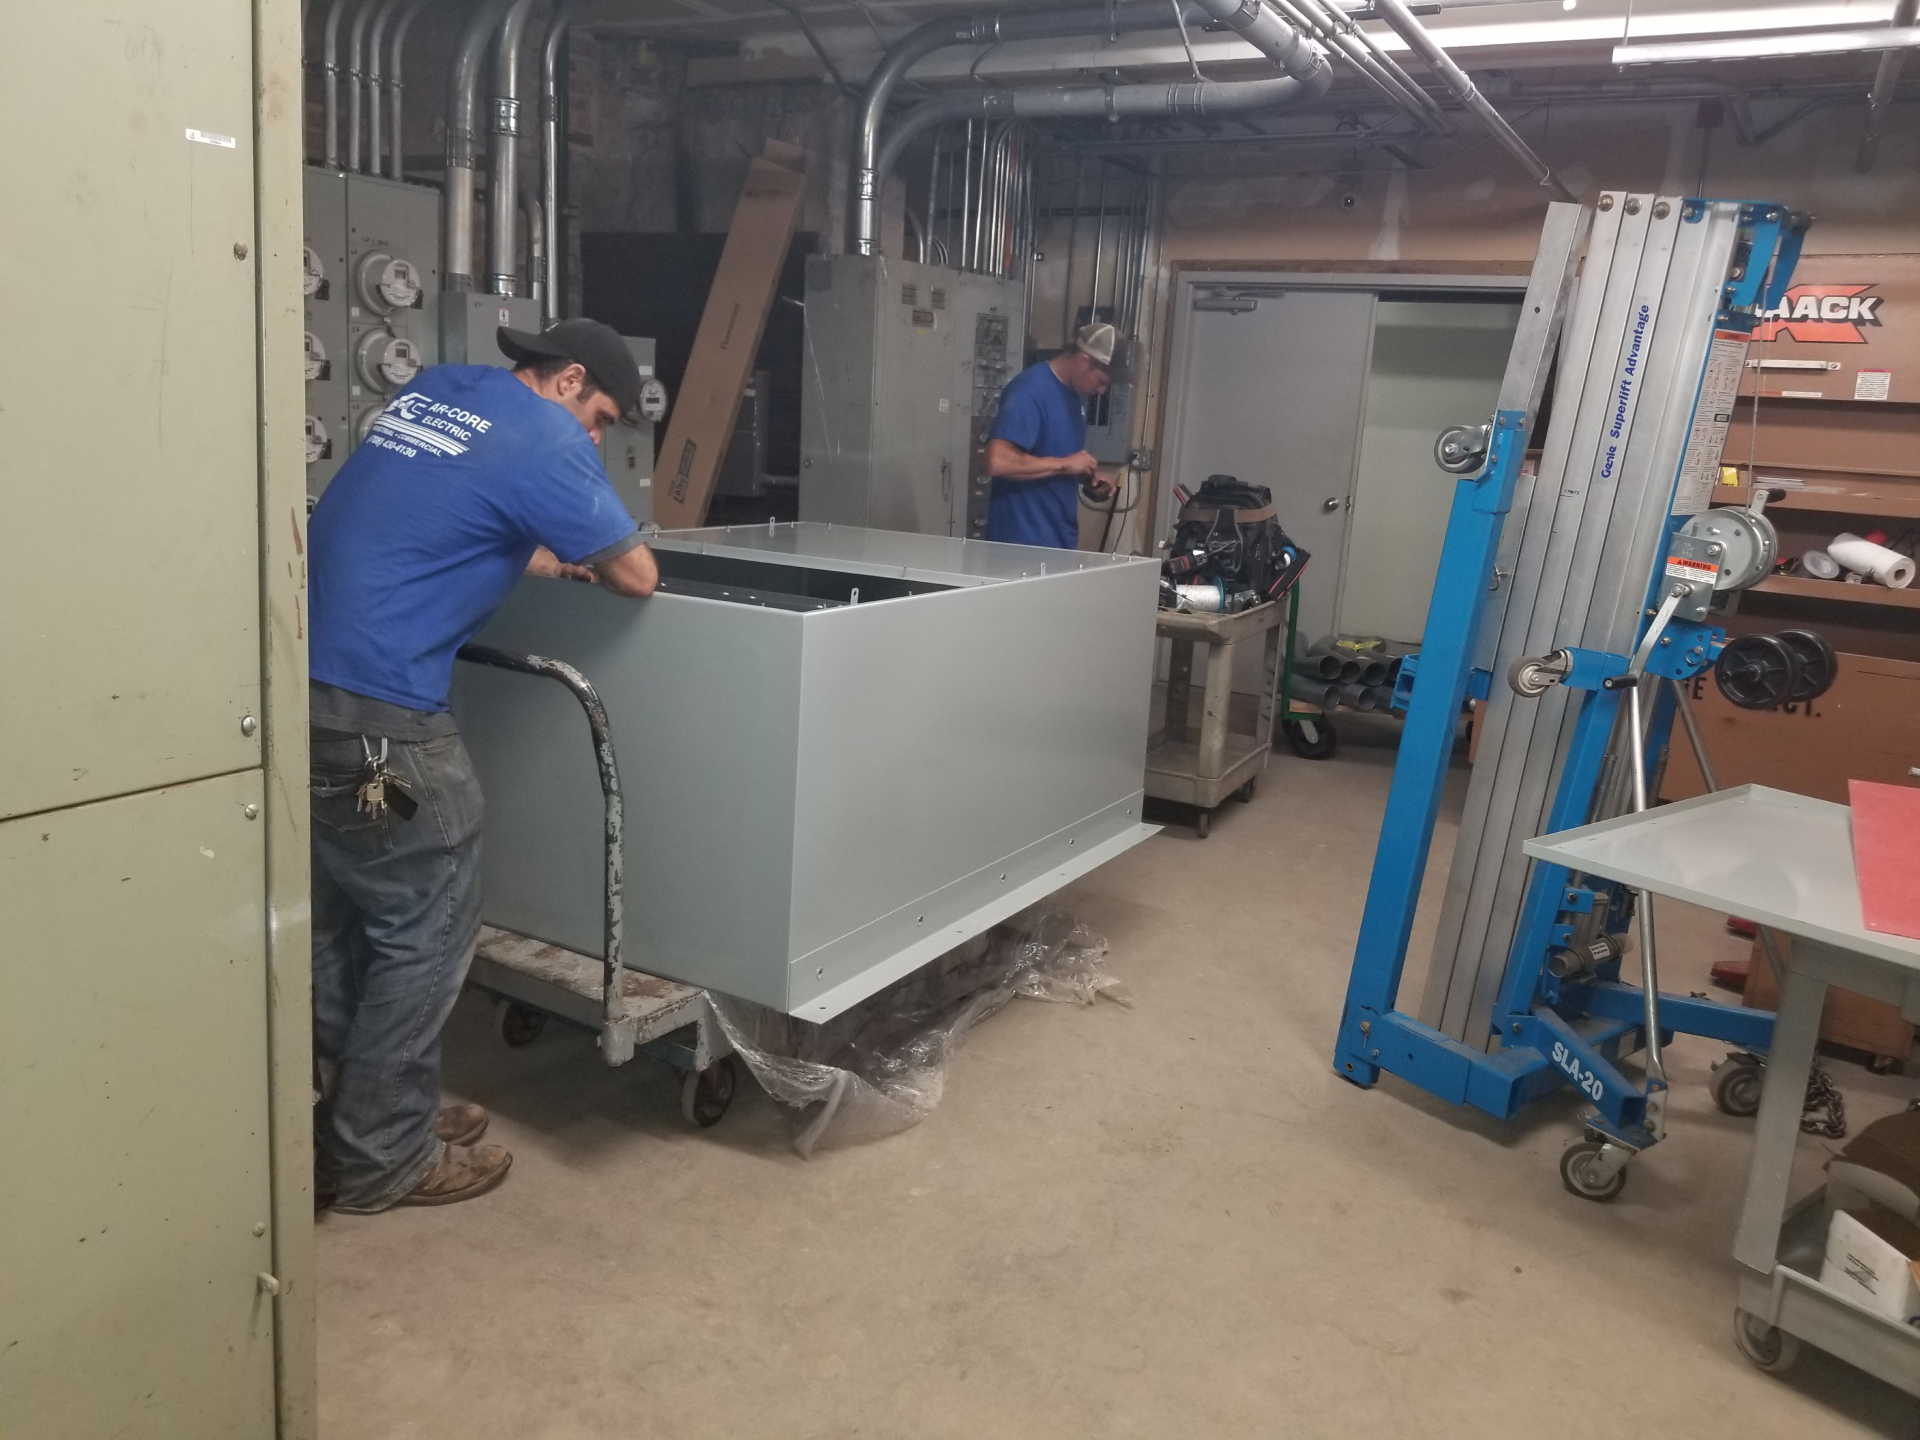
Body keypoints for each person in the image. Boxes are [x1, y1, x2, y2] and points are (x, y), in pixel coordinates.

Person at [307, 319, 659, 1213]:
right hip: (385, 730)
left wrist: (524, 553)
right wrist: (579, 542)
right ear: (567, 378)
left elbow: (440, 507)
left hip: (308, 700)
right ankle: (382, 1158)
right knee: (423, 936)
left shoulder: (444, 391)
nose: (595, 437)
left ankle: (368, 1115)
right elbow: (637, 577)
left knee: (351, 925)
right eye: (601, 417)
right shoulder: (544, 434)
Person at [982, 321, 1123, 549]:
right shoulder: (1029, 391)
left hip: (1057, 540)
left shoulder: (1074, 396)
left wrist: (1088, 478)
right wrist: (1065, 465)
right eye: (1101, 381)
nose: (1101, 391)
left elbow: (1052, 457)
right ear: (1083, 361)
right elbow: (997, 461)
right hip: (1020, 545)